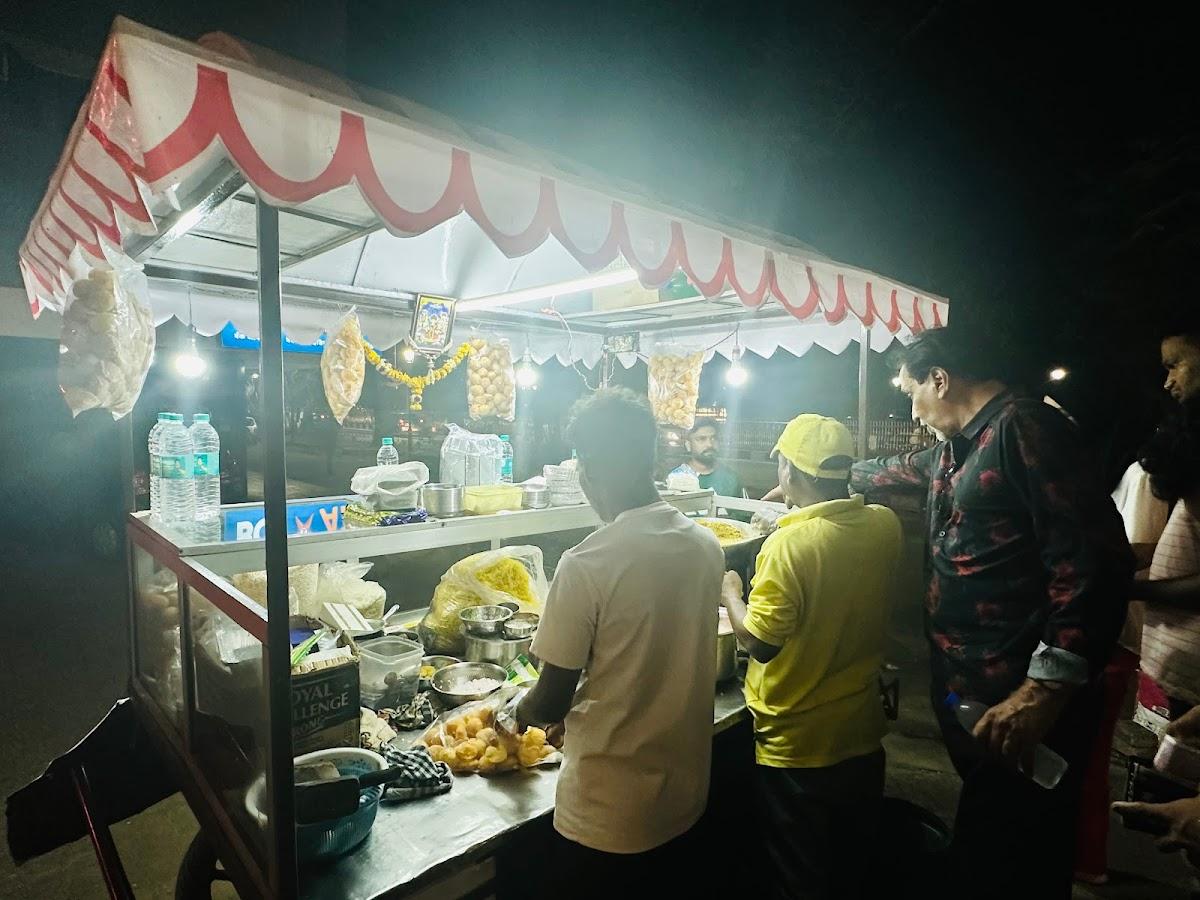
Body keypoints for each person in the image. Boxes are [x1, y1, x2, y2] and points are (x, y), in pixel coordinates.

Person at [849, 325, 1133, 900]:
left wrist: (1042, 693)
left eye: (911, 392)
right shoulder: (960, 446)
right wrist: (825, 475)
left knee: (1012, 858)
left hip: (1022, 705)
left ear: (941, 378)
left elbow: (1093, 564)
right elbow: (900, 469)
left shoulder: (1027, 428)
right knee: (995, 849)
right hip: (974, 697)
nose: (912, 408)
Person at [515, 388, 724, 891]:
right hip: (686, 797)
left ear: (588, 468)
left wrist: (515, 714)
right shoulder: (705, 546)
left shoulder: (586, 563)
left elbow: (549, 700)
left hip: (607, 816)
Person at [720, 414, 902, 899]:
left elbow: (759, 641)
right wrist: (797, 501)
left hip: (797, 744)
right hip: (861, 734)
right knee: (849, 869)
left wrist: (731, 592)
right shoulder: (884, 526)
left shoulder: (789, 545)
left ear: (788, 470)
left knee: (798, 878)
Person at [670, 417, 743, 497]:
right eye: (701, 439)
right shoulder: (675, 478)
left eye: (713, 438)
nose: (709, 444)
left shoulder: (731, 479)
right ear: (688, 445)